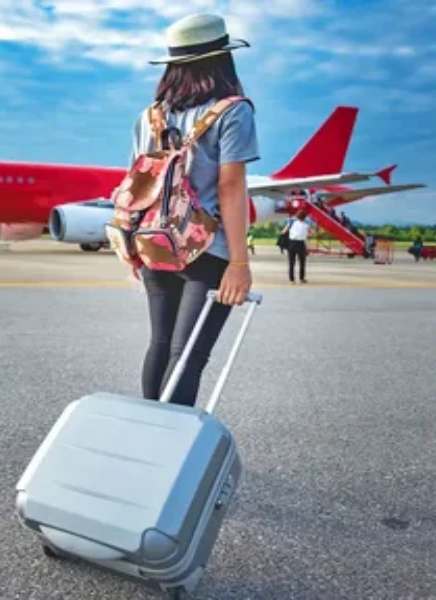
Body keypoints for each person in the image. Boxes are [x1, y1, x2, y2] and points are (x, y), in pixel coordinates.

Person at [130, 13, 257, 408]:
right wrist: (239, 262)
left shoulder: (150, 116)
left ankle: (148, 437)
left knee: (161, 344)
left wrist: (134, 247)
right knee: (189, 356)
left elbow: (137, 186)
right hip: (207, 249)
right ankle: (169, 449)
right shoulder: (233, 111)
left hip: (156, 243)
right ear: (223, 59)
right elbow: (231, 186)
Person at [282, 210, 309, 283]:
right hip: (301, 244)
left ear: (297, 216)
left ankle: (291, 279)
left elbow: (283, 232)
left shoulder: (291, 223)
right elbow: (308, 235)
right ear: (305, 217)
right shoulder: (306, 225)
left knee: (291, 262)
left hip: (292, 243)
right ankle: (301, 278)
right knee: (302, 262)